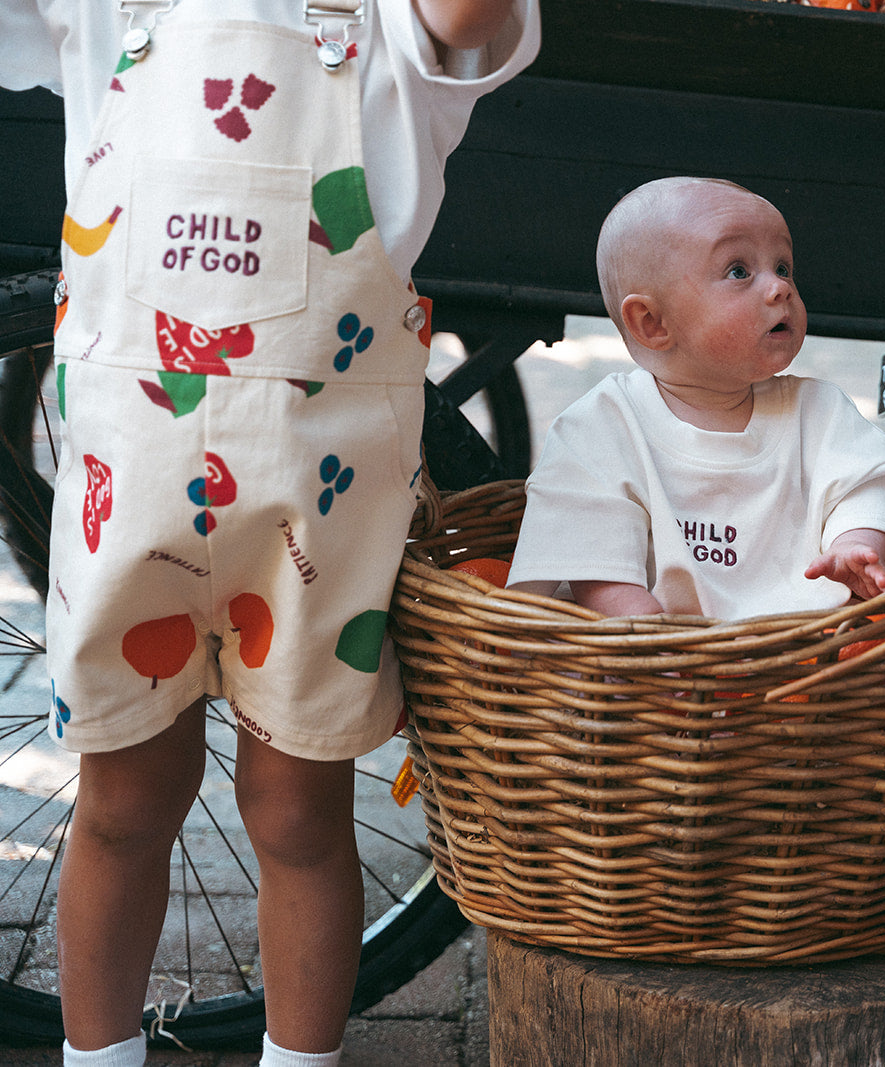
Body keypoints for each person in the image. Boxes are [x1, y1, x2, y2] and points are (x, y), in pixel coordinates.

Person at [0, 2, 541, 1064]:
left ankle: (302, 1056)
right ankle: (94, 1052)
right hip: (130, 494)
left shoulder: (392, 28)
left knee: (296, 814)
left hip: (312, 518)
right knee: (123, 800)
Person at [507, 176, 885, 618]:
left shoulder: (818, 411)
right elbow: (594, 559)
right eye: (739, 271)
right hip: (668, 657)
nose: (780, 288)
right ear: (652, 323)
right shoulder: (603, 427)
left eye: (783, 267)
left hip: (808, 649)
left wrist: (855, 543)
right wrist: (639, 634)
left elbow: (870, 486)